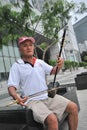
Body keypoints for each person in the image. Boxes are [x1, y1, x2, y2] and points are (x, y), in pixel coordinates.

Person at [7, 36, 78, 130]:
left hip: (47, 96)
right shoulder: (16, 65)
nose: (28, 47)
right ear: (20, 49)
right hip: (32, 101)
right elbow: (11, 86)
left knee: (73, 107)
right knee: (52, 120)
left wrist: (59, 65)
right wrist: (16, 96)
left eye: (30, 45)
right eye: (25, 45)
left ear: (33, 47)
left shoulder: (40, 62)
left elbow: (53, 71)